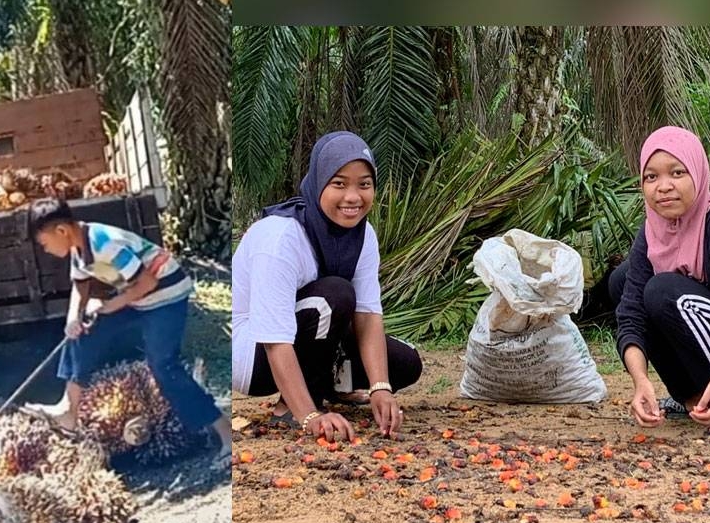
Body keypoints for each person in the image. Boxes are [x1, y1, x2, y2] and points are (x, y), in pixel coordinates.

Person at [232, 131, 422, 442]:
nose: (353, 197)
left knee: (403, 364)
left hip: (305, 328)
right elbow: (274, 339)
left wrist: (380, 388)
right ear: (319, 182)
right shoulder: (280, 238)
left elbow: (367, 315)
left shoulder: (363, 235)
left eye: (364, 184)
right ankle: (290, 408)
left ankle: (332, 387)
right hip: (252, 354)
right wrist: (309, 415)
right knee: (334, 295)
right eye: (339, 184)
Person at [25, 197, 232, 463]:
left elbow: (147, 281)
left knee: (164, 366)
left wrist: (111, 306)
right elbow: (81, 285)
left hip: (165, 296)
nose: (46, 249)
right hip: (137, 297)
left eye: (44, 243)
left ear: (62, 231)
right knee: (81, 333)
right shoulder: (79, 247)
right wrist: (73, 319)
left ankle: (225, 432)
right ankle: (69, 411)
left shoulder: (104, 243)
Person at [611, 125, 710, 436]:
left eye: (677, 173)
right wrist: (641, 381)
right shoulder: (652, 230)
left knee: (664, 291)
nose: (664, 186)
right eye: (651, 177)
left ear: (697, 175)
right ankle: (693, 397)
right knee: (623, 282)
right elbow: (631, 314)